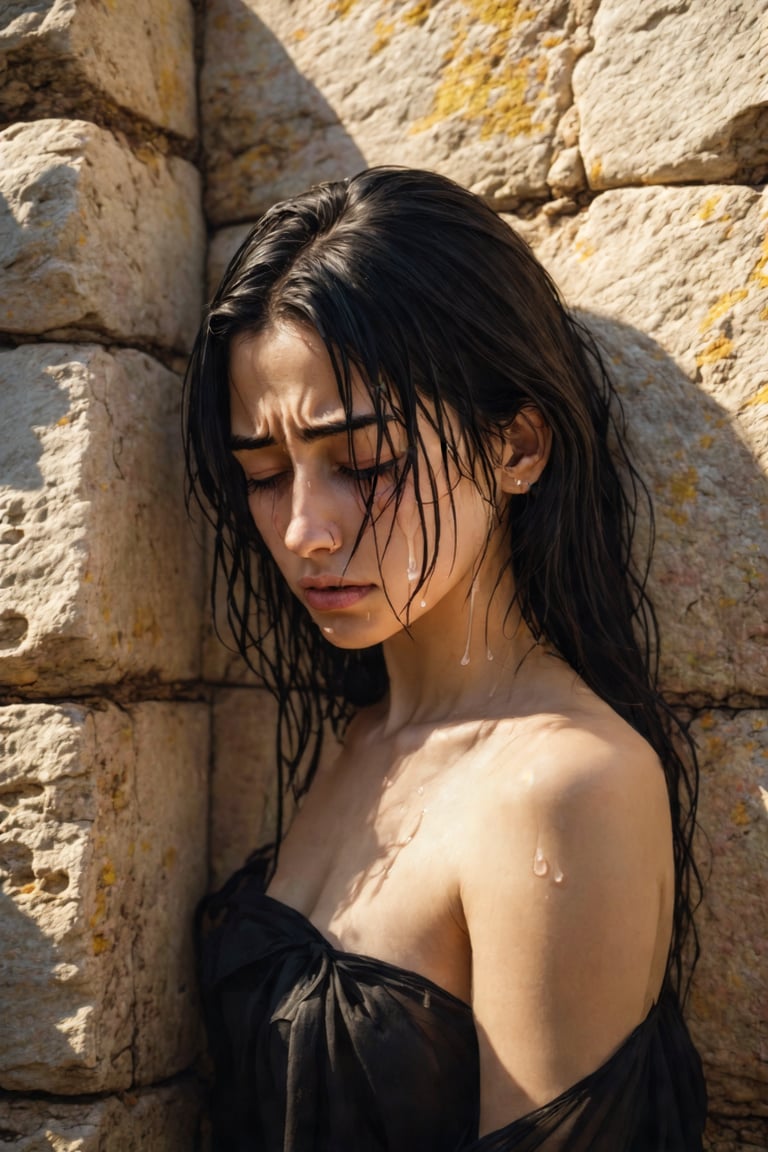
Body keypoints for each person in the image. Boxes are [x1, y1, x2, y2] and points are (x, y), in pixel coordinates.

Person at [184, 167, 707, 1150]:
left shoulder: (565, 786)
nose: (303, 530)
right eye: (263, 472)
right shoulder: (359, 736)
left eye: (364, 464)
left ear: (516, 446)